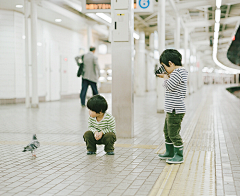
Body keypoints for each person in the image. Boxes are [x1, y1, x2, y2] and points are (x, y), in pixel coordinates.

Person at [155, 49, 188, 164]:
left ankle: (179, 155)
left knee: (173, 133)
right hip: (172, 109)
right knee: (167, 131)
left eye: (164, 66)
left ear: (170, 63)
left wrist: (165, 78)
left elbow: (169, 86)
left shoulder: (178, 73)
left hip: (175, 109)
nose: (165, 69)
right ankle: (169, 152)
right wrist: (167, 76)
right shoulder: (177, 73)